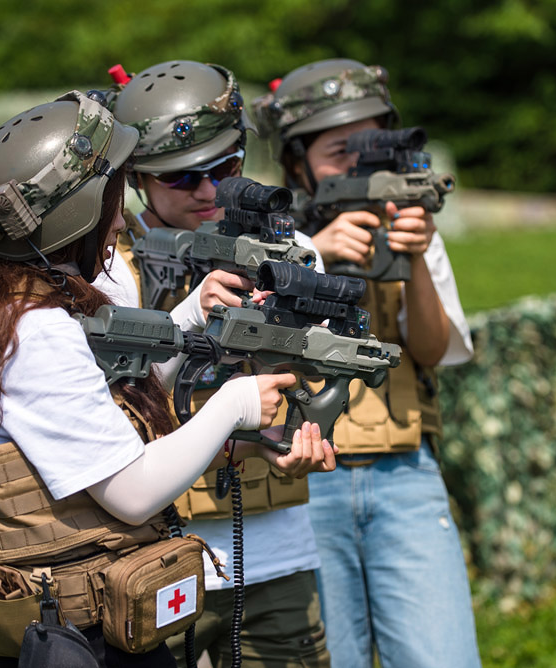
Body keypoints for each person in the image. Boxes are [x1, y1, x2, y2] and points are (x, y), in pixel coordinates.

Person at [0, 91, 332, 668]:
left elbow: (100, 409)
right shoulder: (34, 331)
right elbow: (132, 492)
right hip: (79, 637)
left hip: (49, 626)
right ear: (80, 213)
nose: (121, 219)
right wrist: (234, 404)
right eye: (112, 203)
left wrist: (194, 318)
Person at [97, 60, 334, 667]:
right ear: (137, 181)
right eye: (181, 179)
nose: (207, 191)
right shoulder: (106, 268)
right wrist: (188, 316)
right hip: (146, 559)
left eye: (225, 168)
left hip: (274, 554)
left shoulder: (291, 251)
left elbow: (319, 377)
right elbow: (110, 413)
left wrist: (302, 436)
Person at [253, 58, 481, 668]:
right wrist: (311, 256)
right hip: (302, 485)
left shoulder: (406, 224)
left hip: (403, 469)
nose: (360, 165)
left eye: (373, 146)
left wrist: (417, 259)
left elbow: (434, 351)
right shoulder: (267, 242)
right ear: (296, 159)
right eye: (338, 151)